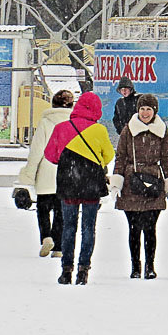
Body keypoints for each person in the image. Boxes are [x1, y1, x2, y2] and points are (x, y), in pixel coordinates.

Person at [44, 91, 114, 285]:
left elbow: (50, 155)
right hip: (91, 183)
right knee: (88, 228)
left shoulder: (61, 128)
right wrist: (93, 160)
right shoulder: (99, 130)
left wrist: (69, 161)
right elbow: (108, 155)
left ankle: (66, 269)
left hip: (69, 183)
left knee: (68, 227)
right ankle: (83, 269)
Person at [111, 94, 168, 280]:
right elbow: (121, 157)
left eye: (148, 109)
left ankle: (150, 266)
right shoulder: (128, 131)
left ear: (154, 110)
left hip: (154, 183)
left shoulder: (162, 131)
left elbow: (166, 159)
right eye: (142, 109)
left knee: (150, 228)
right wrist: (117, 183)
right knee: (133, 228)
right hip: (132, 183)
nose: (145, 112)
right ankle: (135, 266)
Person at [15, 90, 73, 258]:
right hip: (66, 172)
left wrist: (29, 174)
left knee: (43, 208)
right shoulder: (74, 123)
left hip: (46, 170)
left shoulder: (46, 122)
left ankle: (46, 237)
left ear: (53, 104)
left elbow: (37, 150)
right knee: (61, 212)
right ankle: (59, 247)